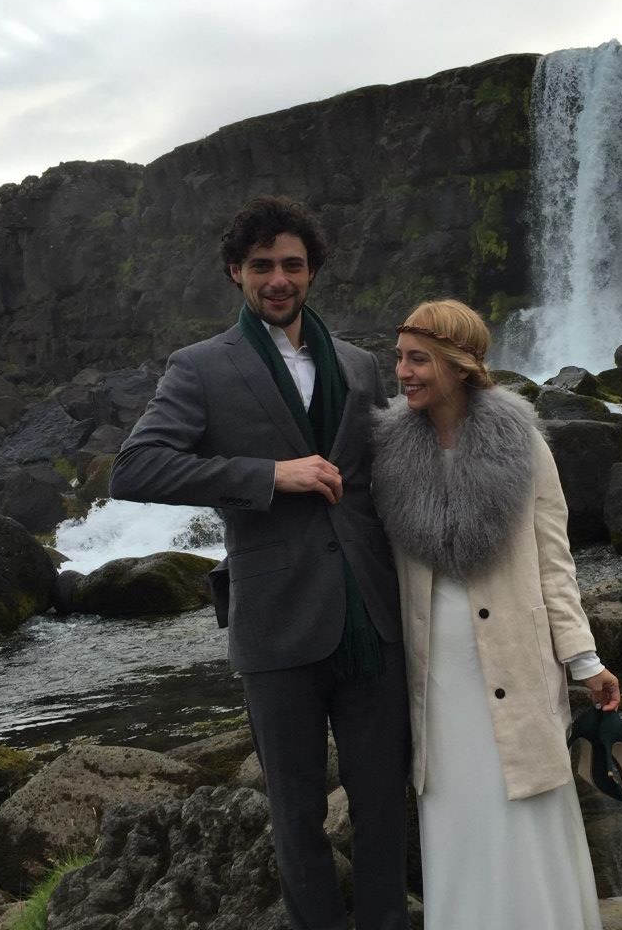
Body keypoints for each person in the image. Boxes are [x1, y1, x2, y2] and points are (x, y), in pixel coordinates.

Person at [109, 195, 410, 930]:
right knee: (297, 814)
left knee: (386, 806)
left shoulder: (362, 366)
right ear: (235, 273)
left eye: (293, 265)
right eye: (263, 266)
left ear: (313, 272)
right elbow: (136, 467)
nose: (279, 279)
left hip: (374, 613)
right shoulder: (201, 367)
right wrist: (270, 476)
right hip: (276, 625)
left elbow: (385, 484)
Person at [370, 299, 621, 930]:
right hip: (434, 679)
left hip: (517, 661)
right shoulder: (389, 452)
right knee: (458, 814)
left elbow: (553, 561)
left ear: (460, 364)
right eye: (399, 357)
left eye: (418, 359)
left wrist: (584, 657)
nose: (402, 372)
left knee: (526, 806)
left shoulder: (524, 444)